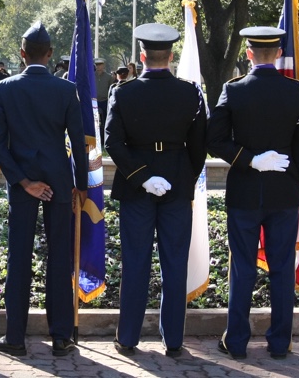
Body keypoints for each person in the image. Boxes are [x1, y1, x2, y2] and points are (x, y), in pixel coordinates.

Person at [206, 26, 299, 361]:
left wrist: (251, 161)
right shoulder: (296, 92)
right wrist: (290, 177)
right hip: (283, 194)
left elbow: (215, 141)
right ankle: (280, 343)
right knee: (282, 268)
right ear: (279, 54)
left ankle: (237, 342)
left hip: (244, 191)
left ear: (249, 54)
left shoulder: (233, 90)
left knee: (242, 267)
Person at [105, 24, 207, 357]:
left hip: (137, 189)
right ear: (171, 56)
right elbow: (199, 145)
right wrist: (184, 179)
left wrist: (142, 176)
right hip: (177, 182)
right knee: (174, 263)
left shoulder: (123, 91)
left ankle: (129, 338)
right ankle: (174, 341)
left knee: (136, 262)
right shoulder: (191, 92)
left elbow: (113, 143)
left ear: (142, 56)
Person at [0, 22, 89, 358]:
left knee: (19, 258)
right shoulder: (66, 89)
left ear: (21, 54)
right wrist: (82, 186)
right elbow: (78, 141)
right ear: (49, 55)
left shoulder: (5, 87)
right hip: (59, 182)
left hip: (22, 184)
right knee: (59, 257)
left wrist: (22, 180)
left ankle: (15, 337)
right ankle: (61, 336)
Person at [94, 59, 114, 131]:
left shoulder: (108, 77)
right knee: (94, 120)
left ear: (103, 65)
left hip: (104, 101)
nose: (98, 66)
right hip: (94, 101)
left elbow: (111, 89)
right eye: (97, 65)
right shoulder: (92, 76)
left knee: (105, 120)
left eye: (100, 65)